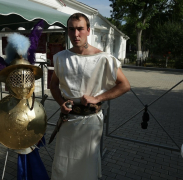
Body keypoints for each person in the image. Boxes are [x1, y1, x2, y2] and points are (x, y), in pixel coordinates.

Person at [50, 13, 130, 180]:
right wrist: (60, 103)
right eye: (71, 29)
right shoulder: (61, 58)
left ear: (88, 30)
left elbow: (124, 85)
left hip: (90, 122)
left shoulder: (103, 58)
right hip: (67, 120)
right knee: (64, 163)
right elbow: (53, 85)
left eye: (80, 29)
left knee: (86, 165)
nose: (76, 34)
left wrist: (98, 98)